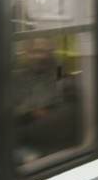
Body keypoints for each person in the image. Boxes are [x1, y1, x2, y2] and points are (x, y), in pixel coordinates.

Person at [13, 37, 80, 165]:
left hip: (52, 147)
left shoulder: (61, 76)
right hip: (19, 141)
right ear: (26, 53)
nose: (42, 56)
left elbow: (63, 120)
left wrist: (21, 128)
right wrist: (33, 113)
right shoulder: (17, 78)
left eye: (47, 52)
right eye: (36, 51)